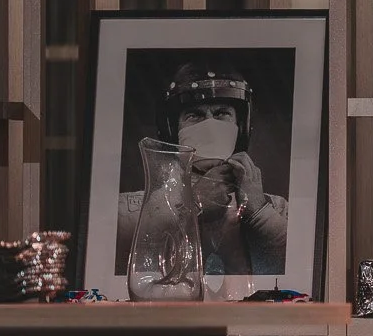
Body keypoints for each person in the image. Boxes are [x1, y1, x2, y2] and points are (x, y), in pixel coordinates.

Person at [117, 60, 290, 279]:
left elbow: (298, 268)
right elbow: (126, 253)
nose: (210, 125)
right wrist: (192, 204)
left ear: (241, 127)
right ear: (173, 131)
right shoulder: (130, 209)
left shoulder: (279, 209)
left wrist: (258, 213)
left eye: (221, 113)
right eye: (194, 115)